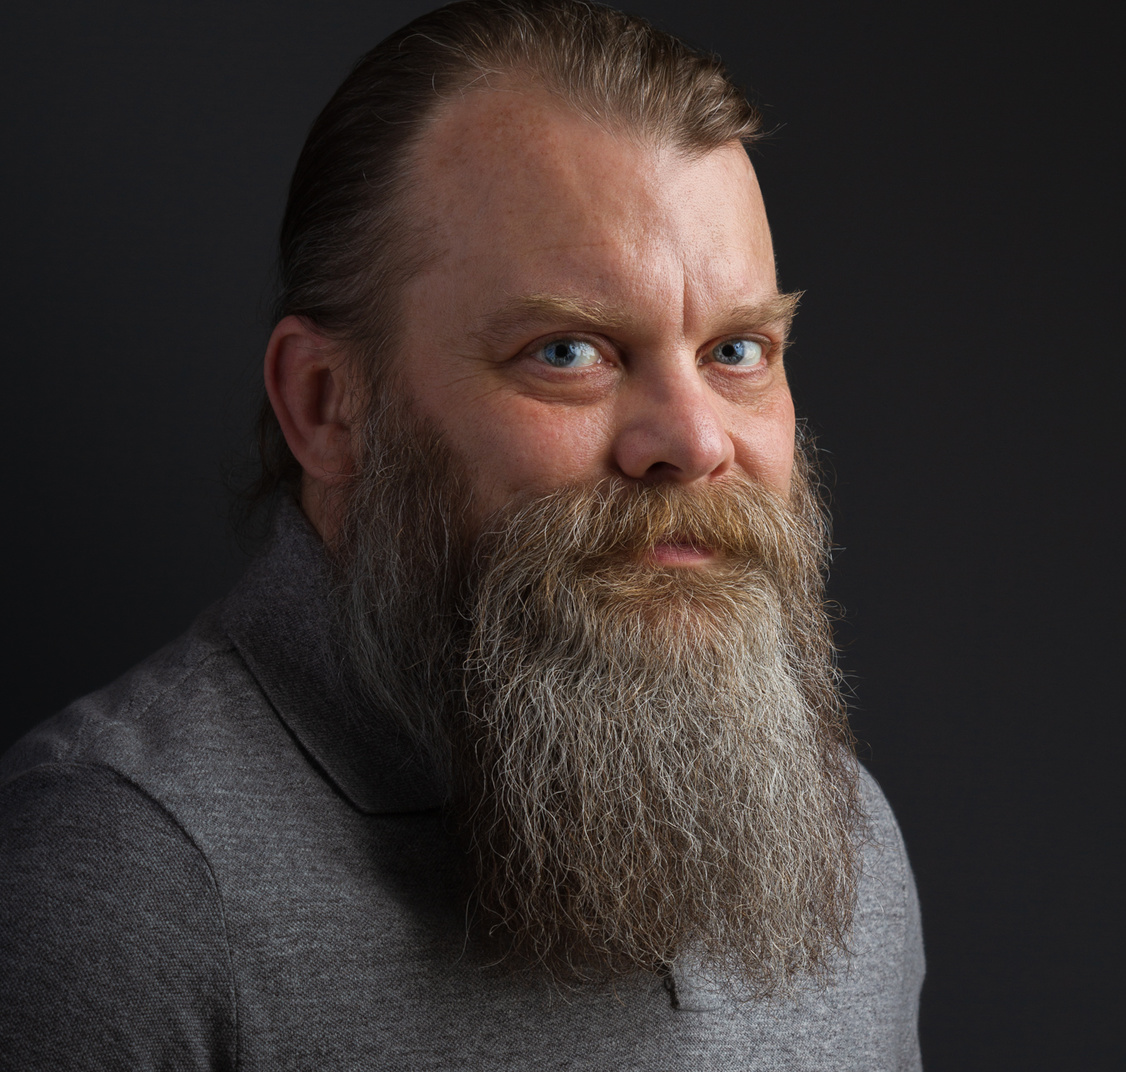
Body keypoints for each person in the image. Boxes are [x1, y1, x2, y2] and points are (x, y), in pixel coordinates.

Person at [0, 1, 923, 1067]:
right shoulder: (122, 878)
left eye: (739, 350)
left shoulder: (832, 835)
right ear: (328, 406)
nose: (694, 440)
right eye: (569, 352)